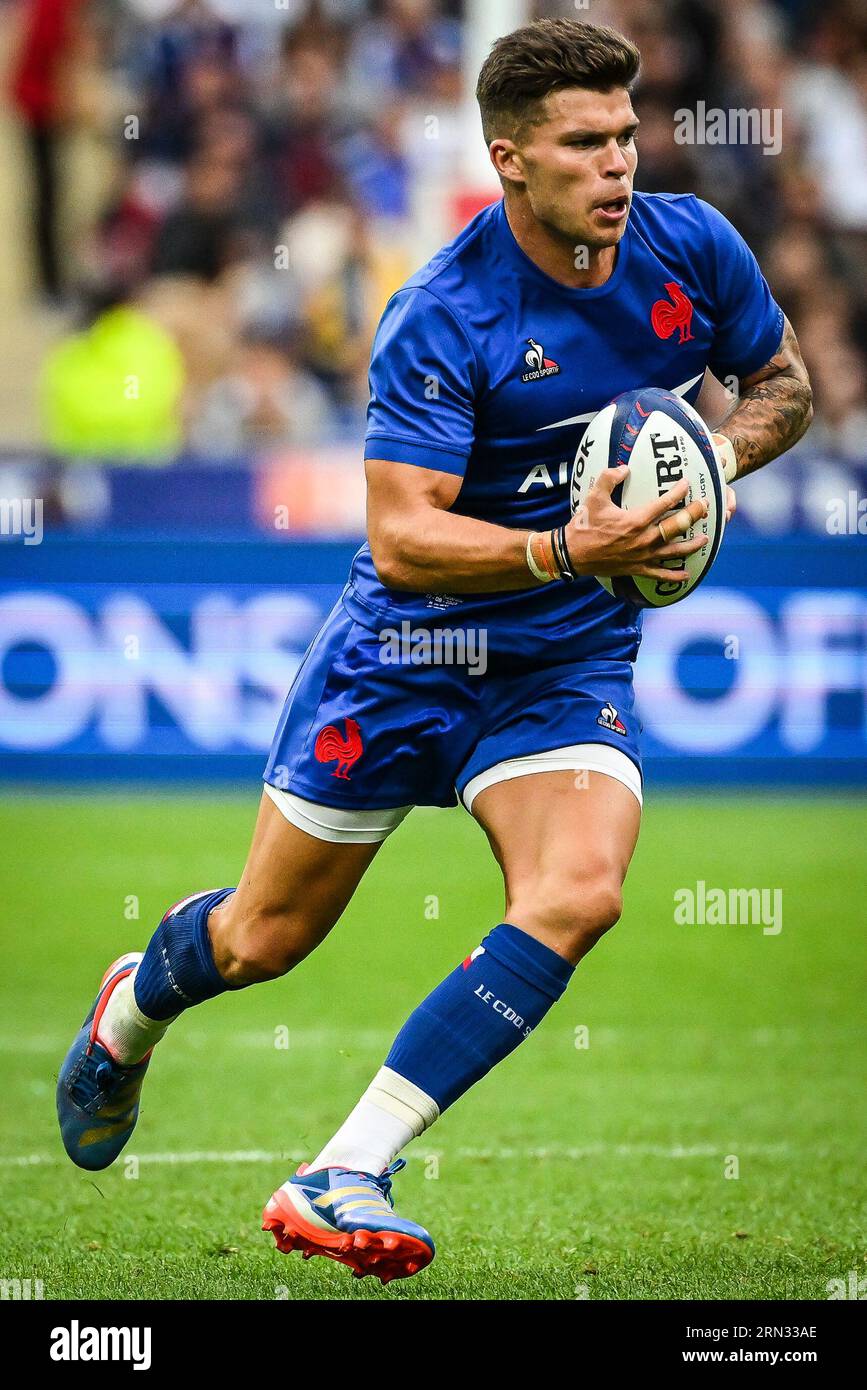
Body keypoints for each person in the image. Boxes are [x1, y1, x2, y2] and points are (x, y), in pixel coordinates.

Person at [56, 18, 812, 1285]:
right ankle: (132, 1007)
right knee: (259, 941)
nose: (619, 164)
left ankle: (345, 1167)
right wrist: (571, 547)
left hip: (562, 664)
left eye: (627, 136)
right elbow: (404, 538)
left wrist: (713, 466)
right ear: (512, 160)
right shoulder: (443, 313)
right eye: (585, 143)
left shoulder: (694, 250)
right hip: (403, 656)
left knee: (579, 893)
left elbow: (781, 380)